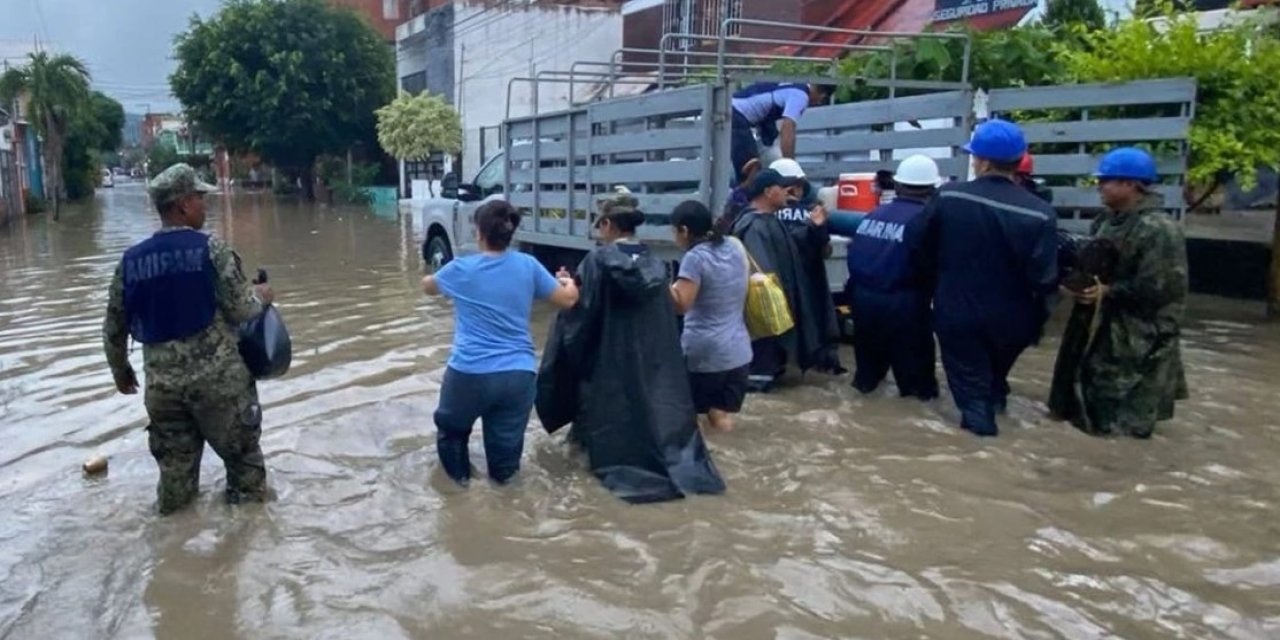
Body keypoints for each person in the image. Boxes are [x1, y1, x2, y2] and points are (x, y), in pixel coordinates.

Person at [102, 163, 274, 515]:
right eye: (198, 197)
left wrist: (121, 372)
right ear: (182, 204)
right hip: (220, 387)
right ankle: (246, 541)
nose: (204, 204)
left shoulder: (130, 262)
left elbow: (113, 328)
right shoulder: (211, 249)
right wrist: (263, 296)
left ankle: (175, 544)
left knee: (175, 487)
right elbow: (242, 310)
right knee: (245, 475)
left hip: (163, 391)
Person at [536, 192, 725, 504]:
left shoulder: (597, 261)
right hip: (648, 365)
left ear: (608, 224)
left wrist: (567, 287)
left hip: (607, 367)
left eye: (599, 225)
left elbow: (580, 316)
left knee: (585, 442)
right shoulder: (655, 263)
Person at [908, 120, 1058, 436]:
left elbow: (915, 243)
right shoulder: (1041, 212)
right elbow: (1044, 279)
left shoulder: (949, 197)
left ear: (984, 162)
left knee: (973, 399)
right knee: (994, 382)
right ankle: (998, 417)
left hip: (960, 316)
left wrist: (937, 278)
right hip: (1015, 323)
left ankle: (982, 450)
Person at [422, 201, 579, 485]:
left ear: (479, 233)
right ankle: (507, 504)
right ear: (510, 233)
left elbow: (429, 287)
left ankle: (459, 495)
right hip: (518, 376)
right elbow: (568, 300)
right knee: (506, 464)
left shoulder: (460, 269)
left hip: (469, 373)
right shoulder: (528, 266)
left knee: (452, 433)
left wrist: (435, 275)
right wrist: (568, 282)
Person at [1048, 148, 1188, 438]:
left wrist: (1107, 292)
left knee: (1127, 421)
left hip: (1142, 339)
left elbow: (1160, 287)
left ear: (1130, 184)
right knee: (1088, 405)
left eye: (1105, 181)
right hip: (1101, 329)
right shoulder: (1106, 221)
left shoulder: (1159, 229)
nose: (1099, 186)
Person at [847, 155, 942, 400]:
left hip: (863, 302)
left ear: (898, 186)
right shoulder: (927, 220)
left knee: (867, 382)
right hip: (905, 305)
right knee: (917, 392)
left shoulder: (873, 215)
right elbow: (932, 266)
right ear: (933, 189)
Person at [731, 169, 831, 392]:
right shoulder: (754, 226)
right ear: (768, 191)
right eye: (782, 187)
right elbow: (760, 282)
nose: (789, 192)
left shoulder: (769, 221)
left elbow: (790, 245)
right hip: (763, 323)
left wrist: (813, 227)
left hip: (774, 319)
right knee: (760, 378)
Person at [669, 200, 752, 432]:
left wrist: (660, 283)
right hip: (739, 353)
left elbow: (681, 305)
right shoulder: (734, 245)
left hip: (705, 356)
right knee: (720, 416)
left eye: (674, 232)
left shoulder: (695, 258)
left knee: (690, 420)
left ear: (684, 230)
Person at [770, 158, 845, 374]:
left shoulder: (766, 214)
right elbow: (826, 251)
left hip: (783, 283)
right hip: (806, 282)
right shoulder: (814, 212)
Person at [730, 82, 834, 185]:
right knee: (749, 170)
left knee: (767, 142)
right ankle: (742, 191)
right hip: (737, 113)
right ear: (822, 97)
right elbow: (788, 129)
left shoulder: (793, 85)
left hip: (737, 106)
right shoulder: (801, 97)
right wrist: (790, 166)